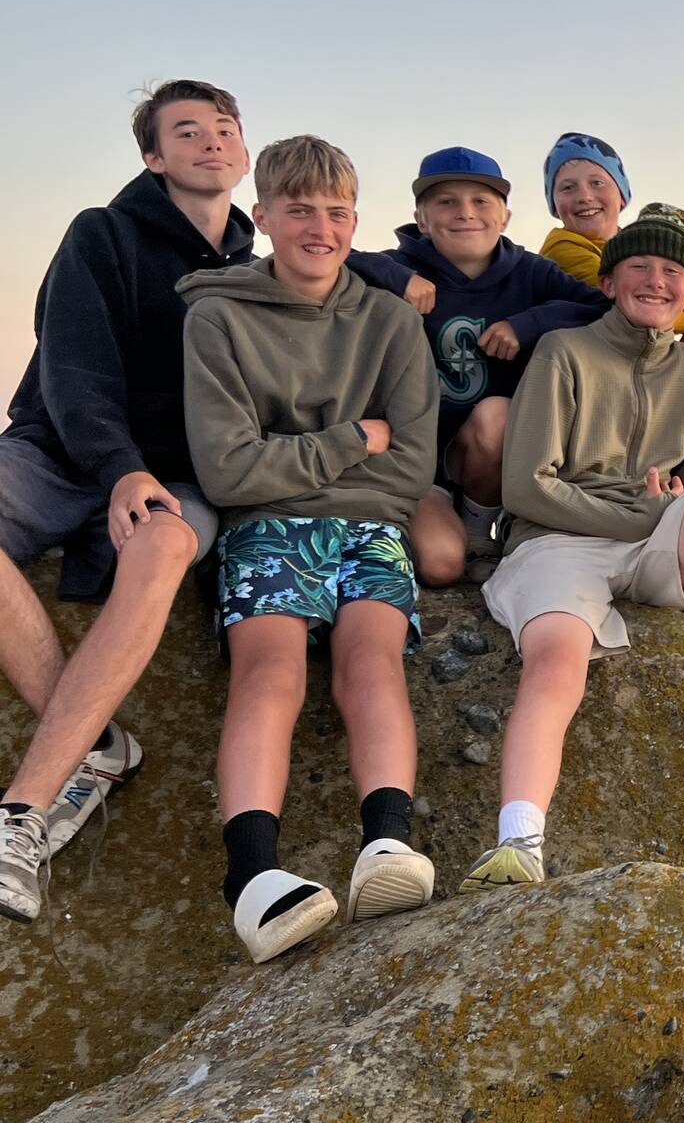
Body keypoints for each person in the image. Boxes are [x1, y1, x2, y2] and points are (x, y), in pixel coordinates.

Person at [465, 207, 684, 886]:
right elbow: (526, 488)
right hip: (560, 539)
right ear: (613, 280)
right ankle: (518, 842)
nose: (656, 281)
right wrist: (638, 517)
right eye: (641, 267)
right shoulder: (563, 351)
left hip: (651, 539)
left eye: (673, 272)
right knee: (559, 659)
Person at [178, 135, 439, 963]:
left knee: (371, 663)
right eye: (298, 211)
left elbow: (411, 461)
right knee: (272, 672)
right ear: (263, 218)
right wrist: (343, 443)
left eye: (335, 213)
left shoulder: (392, 321)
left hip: (373, 523)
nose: (318, 228)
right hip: (264, 526)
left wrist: (299, 463)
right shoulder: (217, 316)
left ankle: (386, 846)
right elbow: (226, 470)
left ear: (355, 221)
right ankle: (253, 879)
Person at [0, 80, 255, 926]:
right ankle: (95, 747)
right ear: (153, 157)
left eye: (224, 130)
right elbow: (73, 370)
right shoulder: (100, 235)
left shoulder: (253, 275)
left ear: (244, 155)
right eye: (187, 132)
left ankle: (22, 814)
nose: (210, 142)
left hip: (178, 479)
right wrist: (118, 468)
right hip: (61, 452)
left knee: (166, 544)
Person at [347, 147, 607, 587]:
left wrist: (530, 322)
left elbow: (603, 308)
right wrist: (396, 278)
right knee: (441, 566)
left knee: (497, 414)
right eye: (446, 202)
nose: (465, 213)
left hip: (485, 458)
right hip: (414, 462)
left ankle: (478, 528)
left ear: (504, 217)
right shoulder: (400, 266)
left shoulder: (530, 273)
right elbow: (328, 255)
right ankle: (428, 526)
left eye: (481, 201)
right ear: (422, 219)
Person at [534, 132, 684, 339]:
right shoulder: (561, 248)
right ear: (555, 206)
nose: (585, 196)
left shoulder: (642, 246)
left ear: (622, 195)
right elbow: (640, 309)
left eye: (596, 183)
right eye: (568, 188)